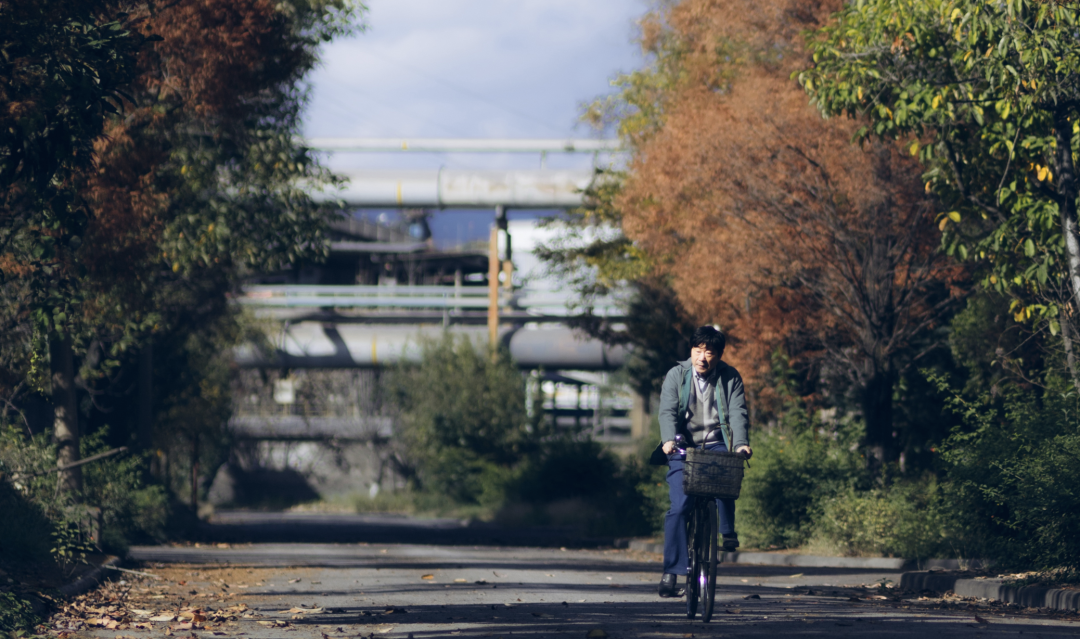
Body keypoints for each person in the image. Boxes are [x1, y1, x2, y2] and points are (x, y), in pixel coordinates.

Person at [650, 326, 752, 598]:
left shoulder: (730, 376)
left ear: (719, 355)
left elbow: (738, 412)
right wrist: (669, 439)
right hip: (682, 444)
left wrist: (741, 442)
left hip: (716, 441)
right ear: (691, 351)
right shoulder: (677, 374)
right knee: (679, 508)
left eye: (709, 352)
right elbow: (667, 410)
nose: (702, 357)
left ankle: (727, 530)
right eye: (698, 350)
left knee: (725, 473)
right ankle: (671, 572)